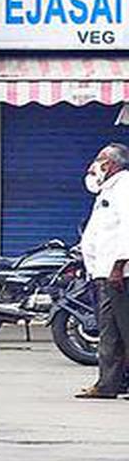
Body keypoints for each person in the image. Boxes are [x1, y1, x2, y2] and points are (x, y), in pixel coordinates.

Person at [75, 143, 129, 399]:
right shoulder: (108, 190)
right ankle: (108, 384)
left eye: (99, 160)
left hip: (120, 274)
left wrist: (119, 265)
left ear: (111, 164)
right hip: (104, 273)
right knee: (110, 331)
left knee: (125, 329)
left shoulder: (125, 187)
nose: (94, 165)